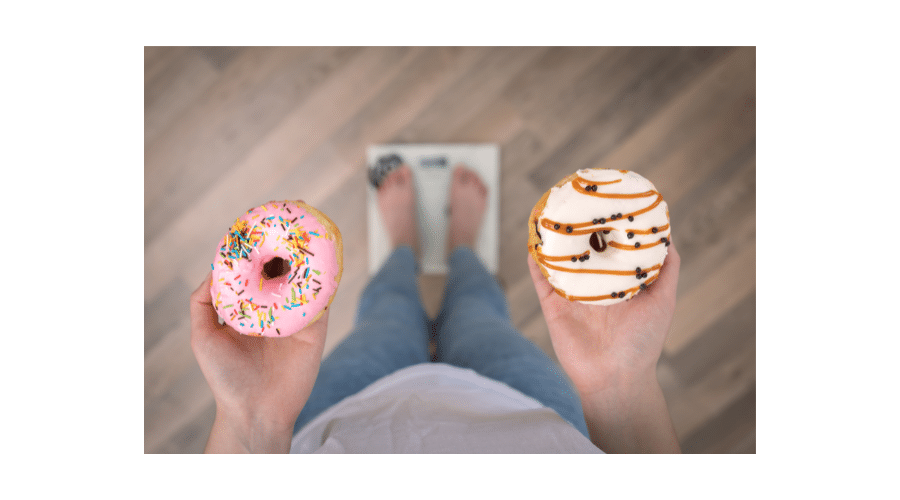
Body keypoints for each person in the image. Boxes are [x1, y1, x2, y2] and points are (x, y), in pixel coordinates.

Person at [190, 164, 682, 453]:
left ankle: (407, 244)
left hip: (335, 419)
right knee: (479, 311)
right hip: (531, 413)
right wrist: (618, 387)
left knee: (387, 312)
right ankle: (457, 244)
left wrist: (251, 418)